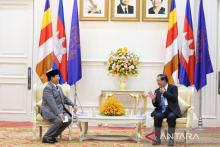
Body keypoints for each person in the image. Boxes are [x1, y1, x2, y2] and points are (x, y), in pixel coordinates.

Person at [41, 69, 76, 144]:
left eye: (58, 76)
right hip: (49, 111)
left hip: (60, 111)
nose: (59, 78)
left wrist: (73, 104)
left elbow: (64, 98)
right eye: (57, 76)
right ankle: (46, 137)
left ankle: (53, 136)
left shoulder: (58, 87)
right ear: (52, 78)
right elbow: (51, 103)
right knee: (59, 120)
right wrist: (59, 113)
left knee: (68, 119)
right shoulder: (48, 88)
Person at [148, 74, 181, 146]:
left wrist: (164, 93)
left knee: (171, 117)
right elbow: (156, 105)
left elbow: (174, 98)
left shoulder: (173, 88)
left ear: (164, 80)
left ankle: (171, 140)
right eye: (157, 80)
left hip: (171, 110)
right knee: (157, 116)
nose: (157, 82)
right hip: (161, 110)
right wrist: (154, 100)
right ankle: (157, 139)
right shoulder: (157, 90)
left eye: (158, 80)